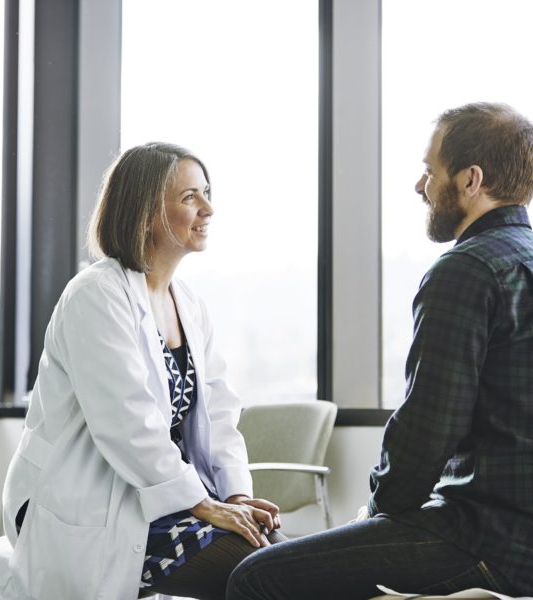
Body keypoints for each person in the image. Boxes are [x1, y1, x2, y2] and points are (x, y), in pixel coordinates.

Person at [227, 102, 533, 600]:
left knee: (254, 578)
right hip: (517, 537)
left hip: (486, 539)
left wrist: (374, 512)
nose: (420, 185)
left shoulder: (467, 271)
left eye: (429, 171)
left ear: (471, 179)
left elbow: (428, 430)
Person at [0, 143, 284, 600]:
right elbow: (127, 423)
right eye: (190, 197)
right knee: (266, 576)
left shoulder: (189, 304)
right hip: (84, 501)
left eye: (206, 193)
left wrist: (236, 496)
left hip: (161, 498)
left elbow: (220, 414)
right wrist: (203, 504)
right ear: (145, 214)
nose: (208, 209)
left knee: (286, 556)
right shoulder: (95, 296)